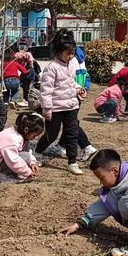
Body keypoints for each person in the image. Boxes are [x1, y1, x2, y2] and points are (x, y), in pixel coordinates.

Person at [35, 29, 86, 175]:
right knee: (51, 134)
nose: (71, 56)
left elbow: (71, 83)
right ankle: (38, 151)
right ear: (58, 51)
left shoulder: (72, 65)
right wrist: (47, 109)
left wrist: (79, 90)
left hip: (71, 106)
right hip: (56, 108)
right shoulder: (51, 68)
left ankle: (72, 162)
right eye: (68, 53)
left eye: (73, 53)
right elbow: (46, 91)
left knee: (72, 134)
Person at [56, 45, 97, 162]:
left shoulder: (70, 61)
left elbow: (67, 78)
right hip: (78, 93)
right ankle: (61, 146)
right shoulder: (81, 61)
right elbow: (86, 76)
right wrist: (84, 88)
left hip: (70, 94)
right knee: (69, 122)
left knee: (71, 123)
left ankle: (86, 146)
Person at [0, 112, 43, 183]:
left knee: (25, 155)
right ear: (26, 130)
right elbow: (13, 161)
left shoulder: (21, 136)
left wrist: (32, 162)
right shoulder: (12, 139)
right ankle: (2, 176)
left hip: (2, 160)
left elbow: (27, 153)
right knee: (22, 156)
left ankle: (8, 173)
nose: (34, 138)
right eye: (34, 135)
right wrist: (27, 172)